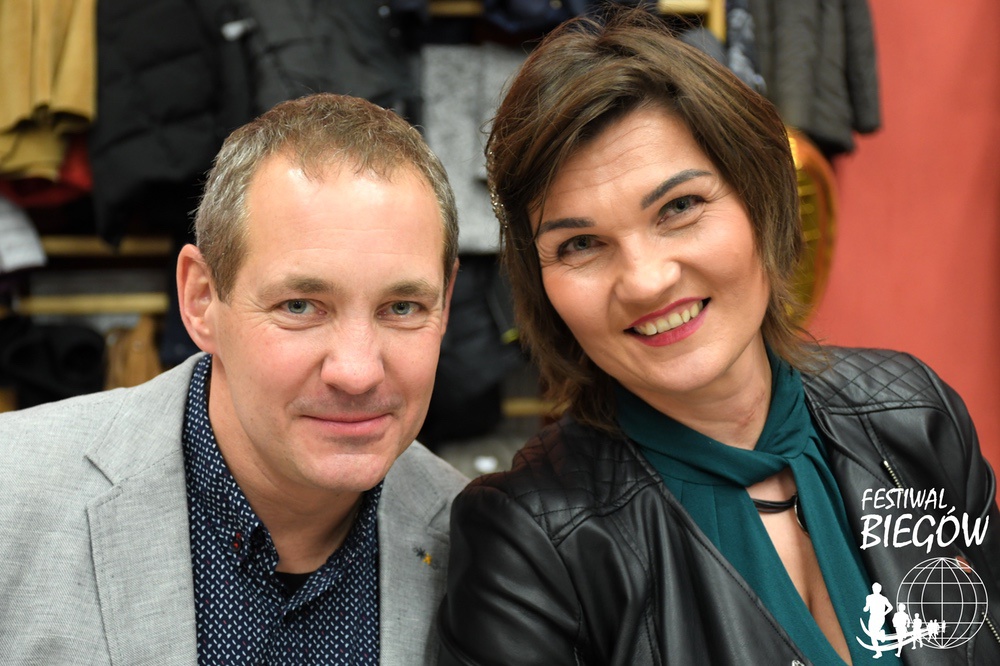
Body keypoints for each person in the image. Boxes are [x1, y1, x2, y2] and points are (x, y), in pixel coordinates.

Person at [436, 8, 1000, 666]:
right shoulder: (527, 544)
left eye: (679, 207)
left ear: (760, 200)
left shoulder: (915, 413)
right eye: (581, 244)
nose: (646, 281)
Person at [0, 93, 468, 664]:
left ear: (446, 302)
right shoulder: (13, 493)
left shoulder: (477, 541)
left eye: (402, 308)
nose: (356, 371)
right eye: (300, 306)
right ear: (201, 300)